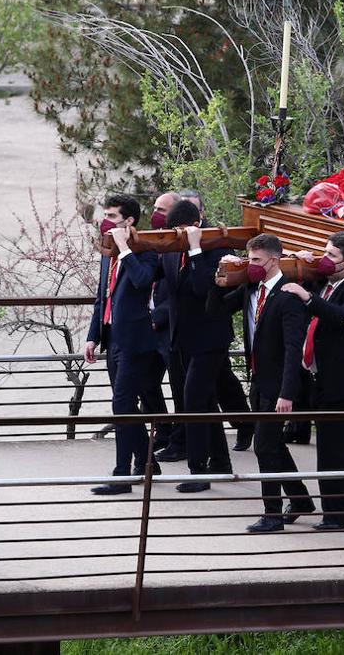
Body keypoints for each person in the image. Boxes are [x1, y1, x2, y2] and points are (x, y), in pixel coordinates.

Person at [215, 234, 315, 532]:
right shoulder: (251, 290)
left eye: (256, 260)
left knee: (264, 446)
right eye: (250, 259)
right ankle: (300, 499)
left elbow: (293, 349)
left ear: (274, 260)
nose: (252, 265)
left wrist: (287, 393)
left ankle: (272, 514)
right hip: (259, 381)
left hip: (278, 387)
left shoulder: (288, 296)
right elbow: (215, 308)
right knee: (271, 446)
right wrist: (220, 272)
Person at [283, 231, 344, 529]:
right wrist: (304, 261)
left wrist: (307, 297)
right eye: (325, 252)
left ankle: (336, 515)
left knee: (331, 449)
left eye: (331, 256)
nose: (325, 259)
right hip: (324, 379)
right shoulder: (327, 283)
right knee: (341, 443)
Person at [84, 194, 166, 495]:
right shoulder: (107, 253)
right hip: (112, 337)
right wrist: (93, 335)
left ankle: (122, 475)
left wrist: (124, 248)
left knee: (121, 406)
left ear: (129, 221)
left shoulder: (144, 251)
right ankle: (147, 463)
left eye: (113, 217)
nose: (107, 222)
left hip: (136, 342)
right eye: (105, 215)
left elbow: (144, 281)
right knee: (126, 405)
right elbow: (101, 298)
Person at [159, 200, 236, 493]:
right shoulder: (170, 248)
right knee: (205, 402)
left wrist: (194, 250)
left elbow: (206, 287)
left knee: (193, 401)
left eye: (185, 230)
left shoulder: (218, 247)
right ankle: (220, 461)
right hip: (184, 337)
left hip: (211, 336)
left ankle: (198, 469)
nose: (181, 234)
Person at [180, 188, 254, 452]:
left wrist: (195, 249)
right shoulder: (176, 240)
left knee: (216, 386)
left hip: (211, 326)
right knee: (218, 383)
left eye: (193, 210)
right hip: (189, 331)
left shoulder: (216, 242)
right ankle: (236, 430)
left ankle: (243, 424)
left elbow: (209, 284)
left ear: (201, 214)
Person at [149, 190, 186, 462]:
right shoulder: (152, 241)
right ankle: (163, 430)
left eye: (162, 210)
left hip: (170, 327)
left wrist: (158, 317)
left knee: (180, 388)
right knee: (146, 382)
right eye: (154, 208)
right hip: (148, 328)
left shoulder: (180, 246)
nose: (155, 214)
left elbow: (178, 290)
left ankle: (180, 441)